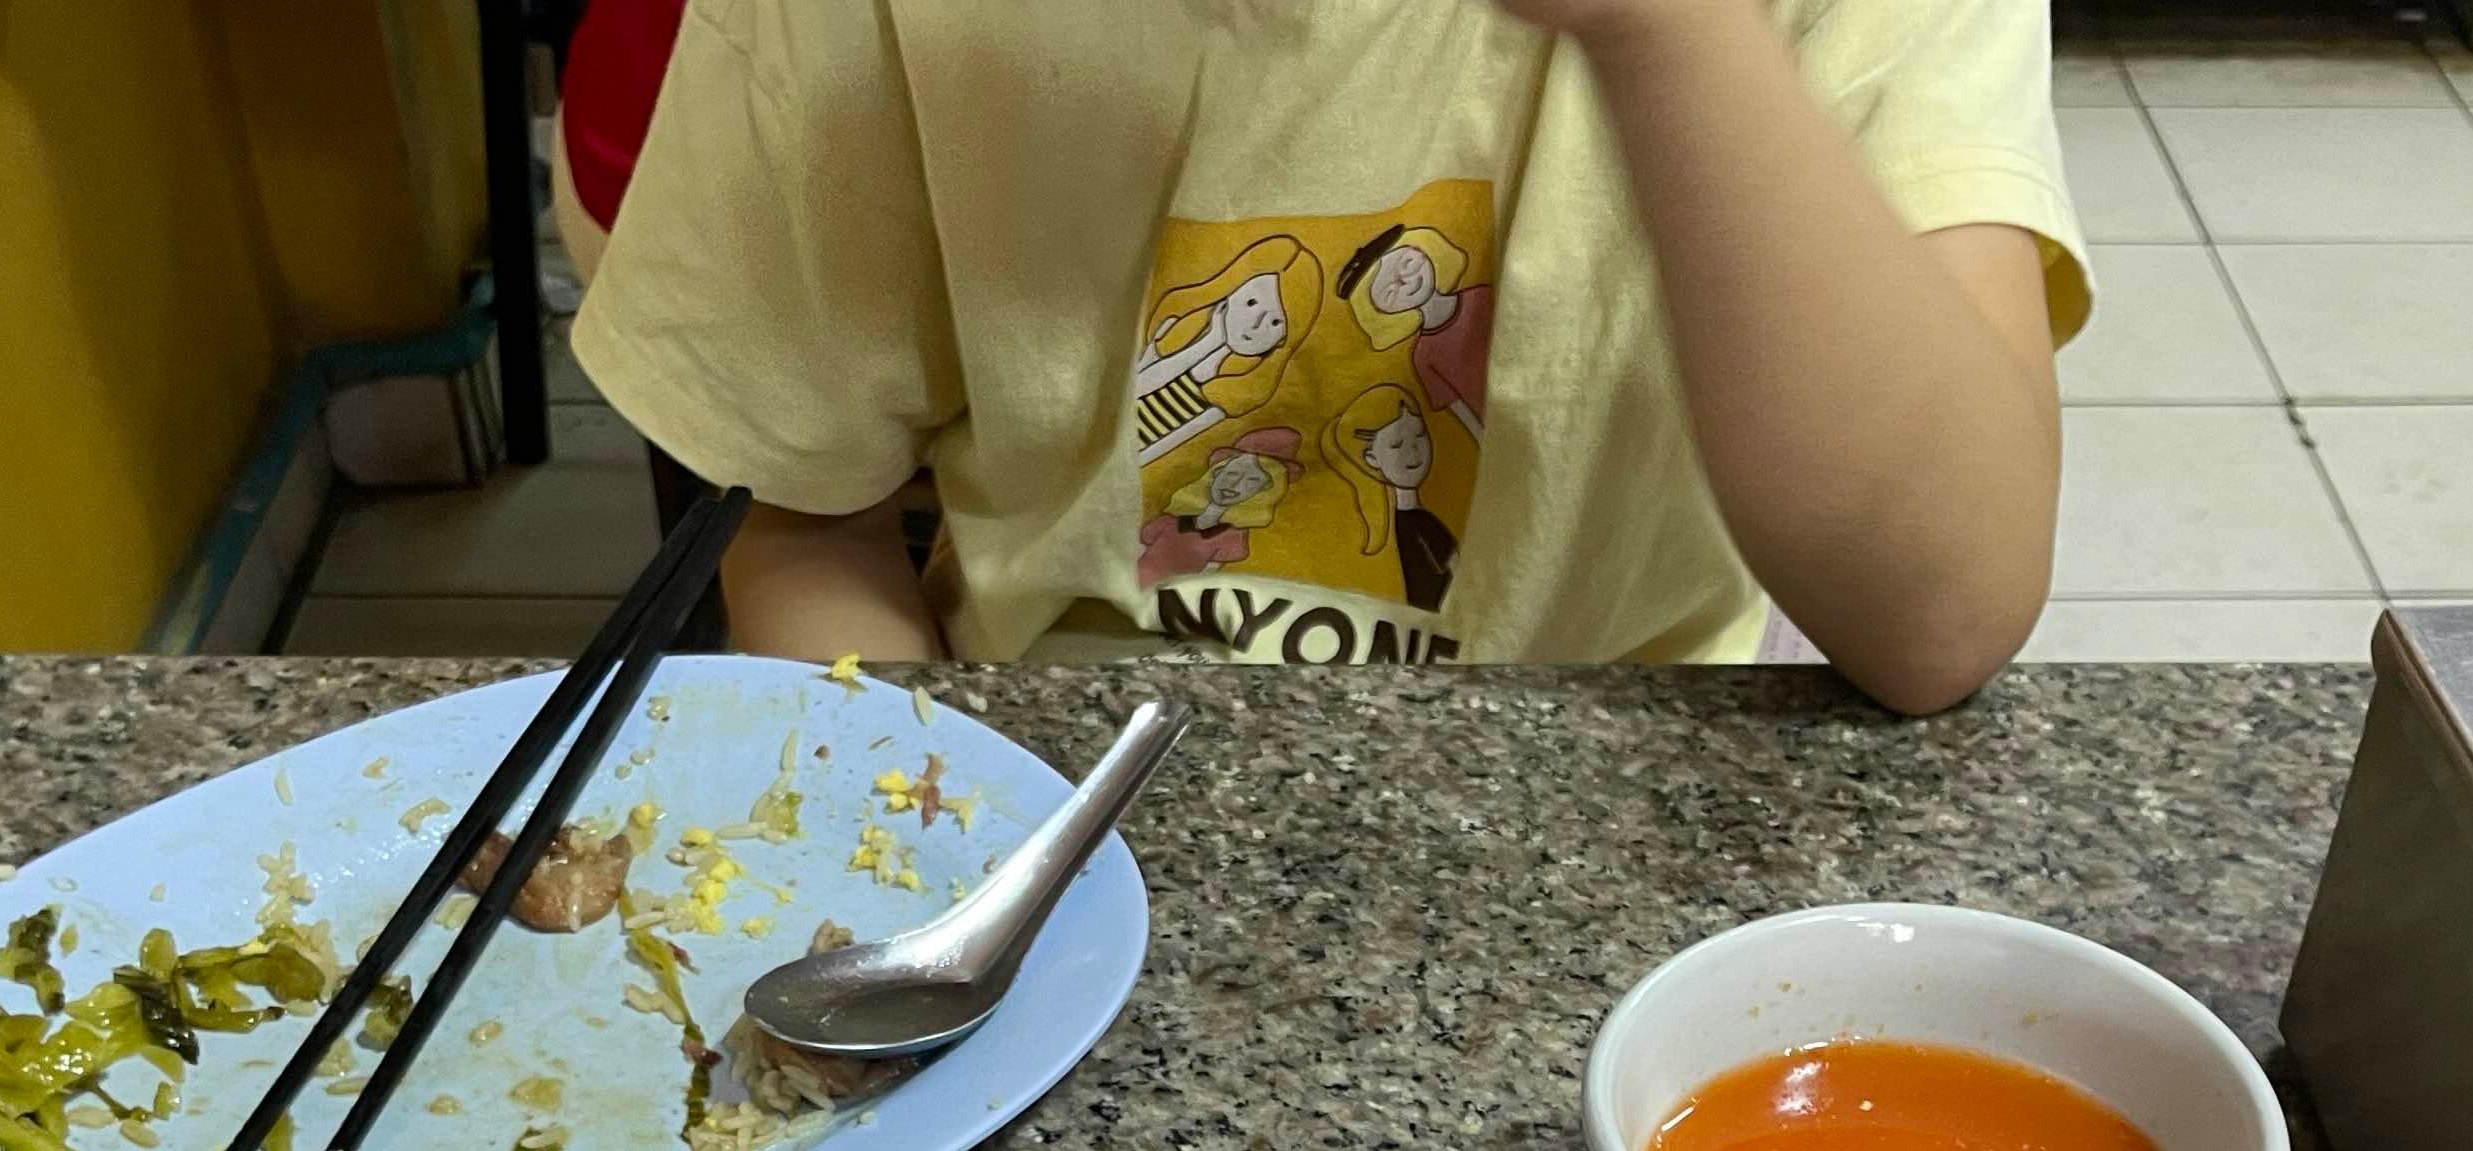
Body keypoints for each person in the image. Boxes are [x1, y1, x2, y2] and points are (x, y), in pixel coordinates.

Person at [570, 0, 2083, 714]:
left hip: (1617, 749)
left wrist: (1671, 32)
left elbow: (1937, 621)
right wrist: (905, 829)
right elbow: (803, 520)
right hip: (1046, 755)